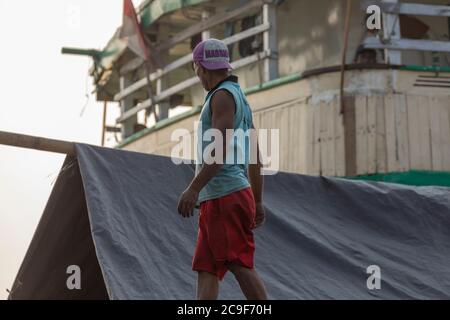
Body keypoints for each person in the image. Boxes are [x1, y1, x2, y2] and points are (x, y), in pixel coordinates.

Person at [177, 38, 268, 300]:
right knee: (207, 268)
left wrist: (193, 189)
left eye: (198, 73)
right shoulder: (241, 100)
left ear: (202, 68)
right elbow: (255, 156)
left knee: (239, 262)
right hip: (223, 197)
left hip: (224, 196)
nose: (200, 79)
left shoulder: (221, 97)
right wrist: (258, 200)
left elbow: (220, 149)